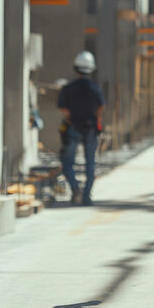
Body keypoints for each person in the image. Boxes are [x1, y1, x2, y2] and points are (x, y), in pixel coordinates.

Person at [58, 51, 104, 206]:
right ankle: (86, 197)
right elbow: (101, 107)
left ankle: (75, 187)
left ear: (76, 68)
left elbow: (63, 109)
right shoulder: (94, 88)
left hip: (73, 128)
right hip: (90, 129)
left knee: (67, 162)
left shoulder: (68, 88)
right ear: (91, 69)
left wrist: (71, 117)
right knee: (90, 163)